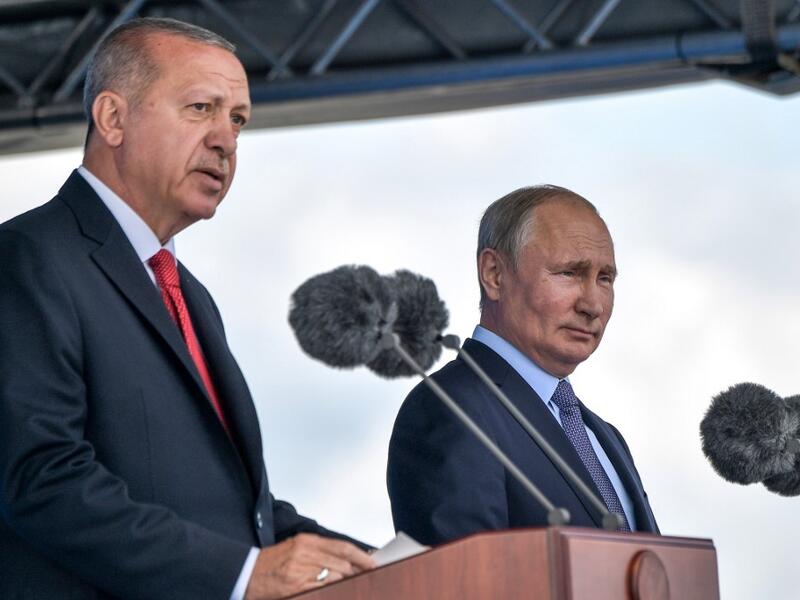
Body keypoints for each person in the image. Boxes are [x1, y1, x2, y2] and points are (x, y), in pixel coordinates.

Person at [0, 17, 374, 600]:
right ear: (113, 118)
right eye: (201, 108)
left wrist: (384, 567)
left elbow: (237, 511)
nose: (226, 139)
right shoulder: (27, 257)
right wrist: (241, 576)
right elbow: (42, 479)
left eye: (238, 119)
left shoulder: (187, 293)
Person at [387, 185, 659, 545]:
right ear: (495, 274)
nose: (593, 304)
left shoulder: (605, 437)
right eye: (569, 273)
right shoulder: (450, 408)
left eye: (604, 279)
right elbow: (464, 583)